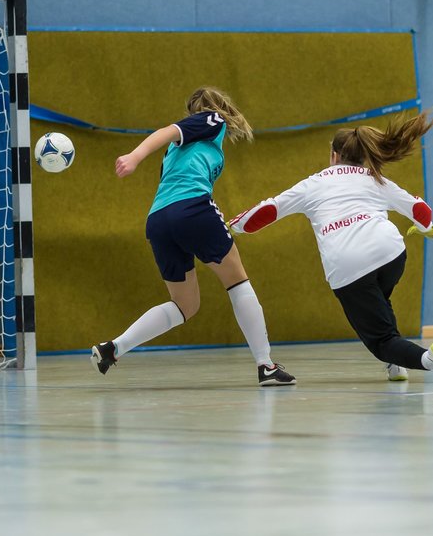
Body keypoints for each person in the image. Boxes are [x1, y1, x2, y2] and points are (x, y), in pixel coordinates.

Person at [229, 111, 433, 383]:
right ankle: (396, 365)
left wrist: (232, 225)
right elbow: (419, 209)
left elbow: (266, 212)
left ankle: (431, 360)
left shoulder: (313, 184)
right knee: (380, 301)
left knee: (382, 341)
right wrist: (426, 228)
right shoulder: (374, 178)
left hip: (349, 266)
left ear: (333, 155)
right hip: (391, 254)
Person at [90, 87, 296, 386]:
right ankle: (266, 365)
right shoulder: (211, 121)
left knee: (185, 305)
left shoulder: (180, 148)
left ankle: (114, 348)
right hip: (193, 209)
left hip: (159, 221)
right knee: (237, 280)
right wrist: (134, 157)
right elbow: (167, 130)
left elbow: (172, 140)